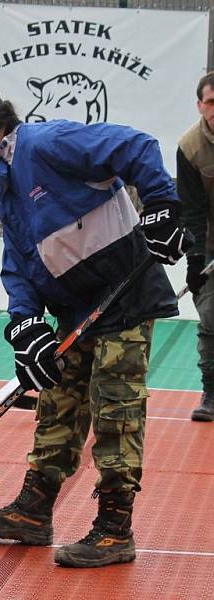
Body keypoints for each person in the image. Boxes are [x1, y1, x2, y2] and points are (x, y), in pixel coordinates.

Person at [0, 86, 192, 567]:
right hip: (76, 312)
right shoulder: (7, 183)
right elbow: (19, 263)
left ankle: (116, 530)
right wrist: (26, 325)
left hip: (124, 299)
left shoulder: (46, 143)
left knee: (116, 410)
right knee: (57, 402)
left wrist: (161, 203)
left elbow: (136, 146)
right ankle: (34, 511)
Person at [178, 71, 214, 422]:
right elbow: (191, 210)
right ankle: (211, 394)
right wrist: (196, 258)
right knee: (210, 320)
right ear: (200, 106)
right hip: (210, 244)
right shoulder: (190, 147)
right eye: (211, 102)